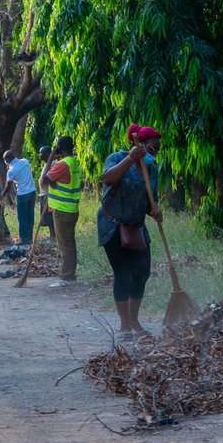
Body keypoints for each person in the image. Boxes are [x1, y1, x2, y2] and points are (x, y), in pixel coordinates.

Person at [99, 125, 163, 331]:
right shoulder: (117, 158)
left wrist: (155, 210)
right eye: (152, 148)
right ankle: (125, 324)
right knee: (122, 273)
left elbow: (150, 199)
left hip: (136, 226)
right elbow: (108, 179)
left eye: (157, 150)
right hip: (113, 225)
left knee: (142, 272)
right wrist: (130, 159)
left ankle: (134, 319)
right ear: (140, 144)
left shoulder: (151, 168)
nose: (155, 152)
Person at [42, 135, 81, 287]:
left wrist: (51, 156)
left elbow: (44, 179)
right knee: (70, 243)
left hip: (62, 210)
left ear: (58, 148)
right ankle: (70, 275)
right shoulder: (73, 162)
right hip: (71, 209)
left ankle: (66, 277)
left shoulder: (62, 164)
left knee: (65, 245)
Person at [1, 149, 38, 245]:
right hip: (32, 192)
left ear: (8, 159)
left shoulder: (11, 170)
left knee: (22, 217)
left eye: (5, 160)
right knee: (30, 216)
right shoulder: (25, 162)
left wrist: (1, 195)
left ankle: (24, 239)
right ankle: (29, 238)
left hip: (22, 194)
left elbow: (8, 187)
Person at [37, 145, 54, 239]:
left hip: (49, 194)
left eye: (41, 153)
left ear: (47, 154)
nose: (39, 155)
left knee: (51, 218)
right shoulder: (47, 164)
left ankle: (53, 237)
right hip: (44, 194)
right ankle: (52, 236)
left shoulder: (52, 164)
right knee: (48, 218)